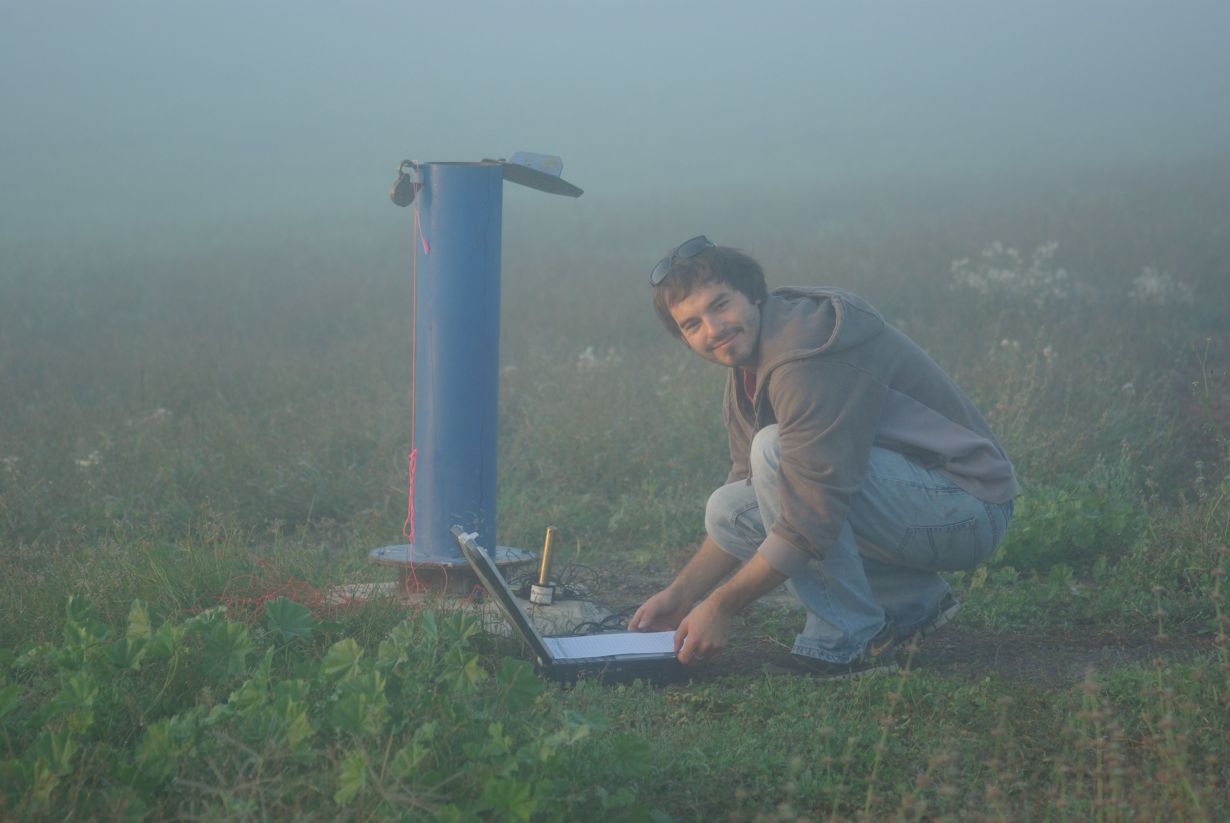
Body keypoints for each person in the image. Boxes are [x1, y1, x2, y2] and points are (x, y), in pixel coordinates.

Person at [628, 236, 1018, 678]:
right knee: (730, 508)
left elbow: (810, 519)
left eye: (720, 305)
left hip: (966, 507)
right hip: (909, 499)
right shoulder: (747, 367)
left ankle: (847, 643)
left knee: (775, 452)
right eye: (692, 324)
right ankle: (908, 601)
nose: (712, 329)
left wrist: (720, 606)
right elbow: (754, 487)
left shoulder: (806, 352)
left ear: (754, 294)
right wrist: (679, 598)